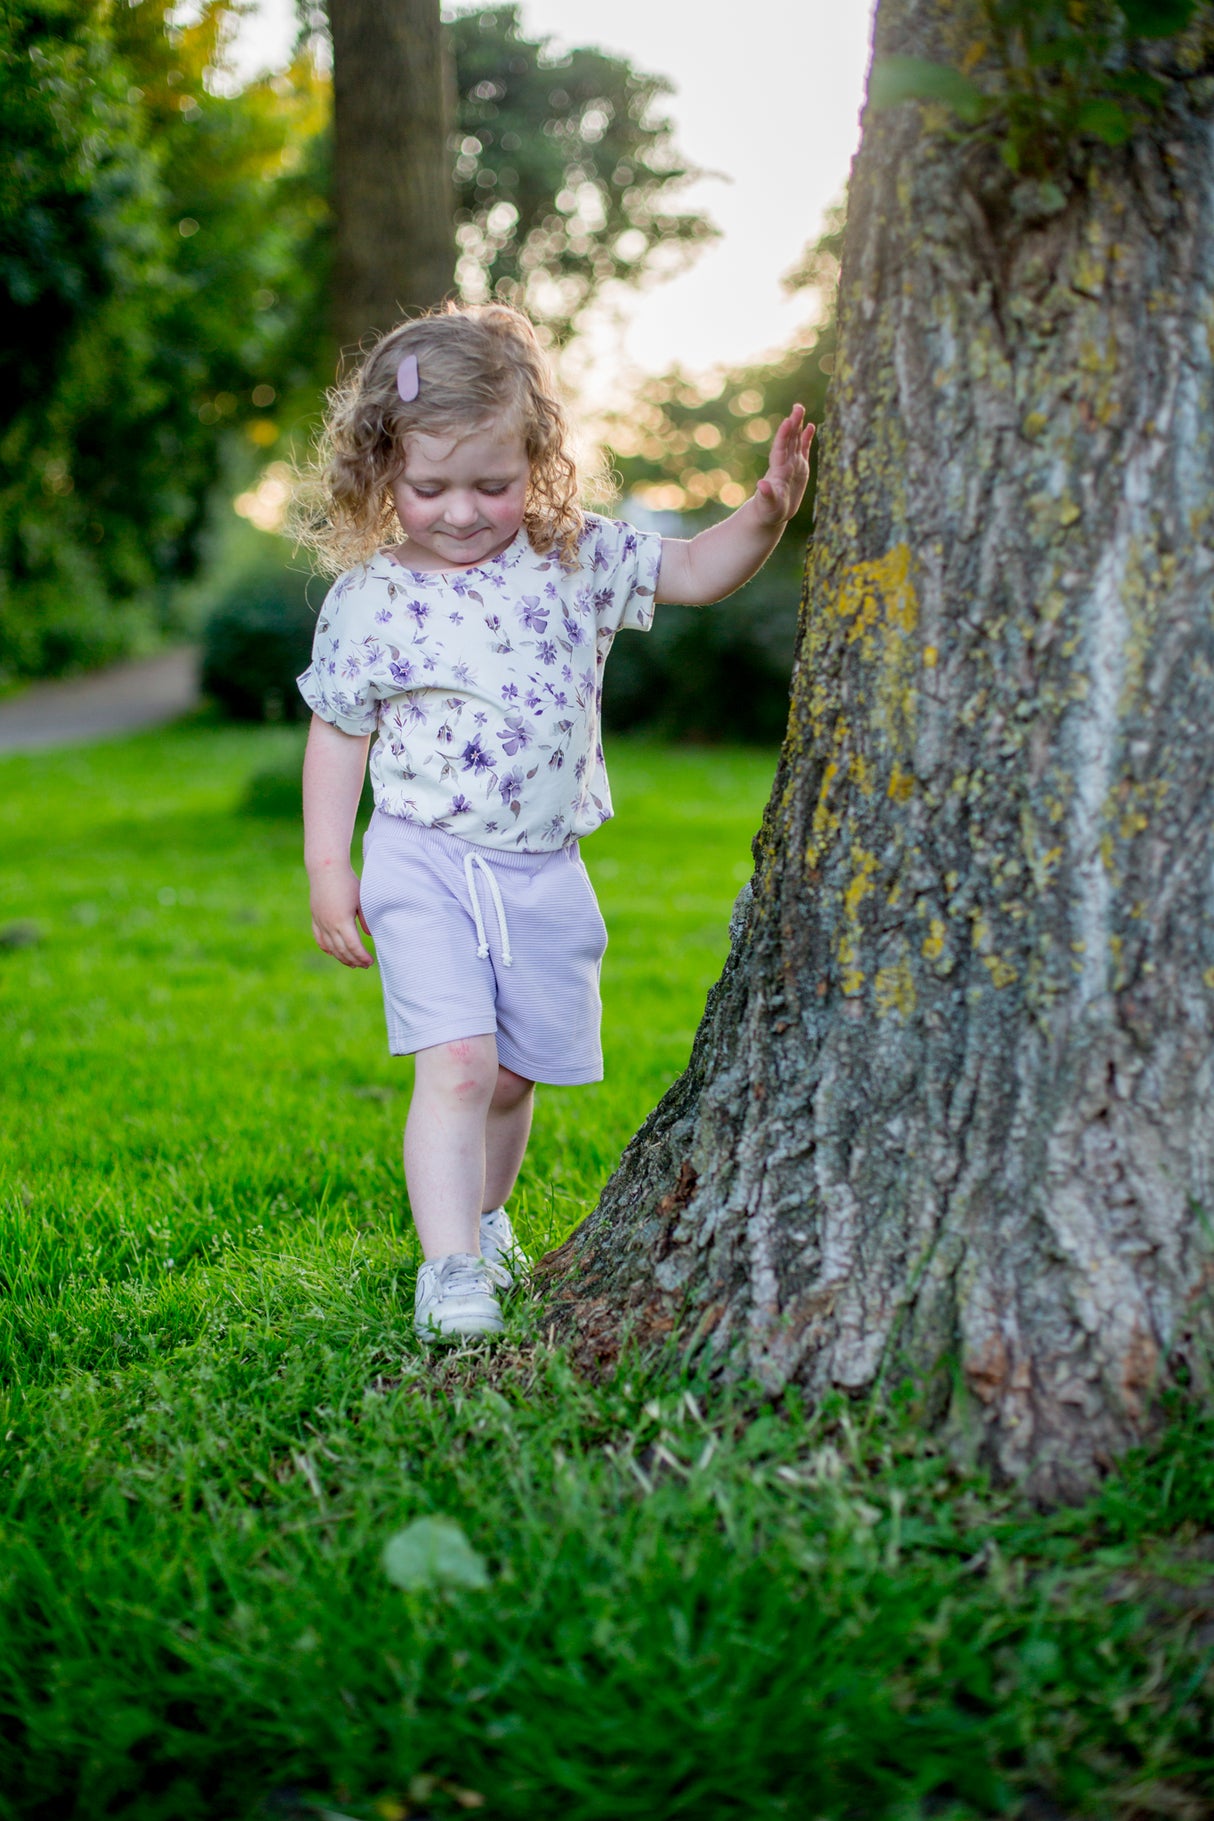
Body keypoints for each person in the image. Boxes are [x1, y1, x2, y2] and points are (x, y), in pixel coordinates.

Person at [295, 303, 813, 1344]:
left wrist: (764, 510)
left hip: (542, 867)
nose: (459, 512)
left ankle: (484, 1220)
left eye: (490, 484)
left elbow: (696, 573)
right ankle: (446, 1271)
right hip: (423, 861)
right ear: (380, 475)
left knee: (518, 1070)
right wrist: (326, 867)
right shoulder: (371, 599)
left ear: (536, 459)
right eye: (427, 487)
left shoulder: (574, 555)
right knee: (457, 1064)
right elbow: (337, 733)